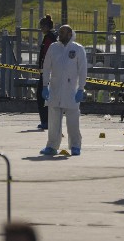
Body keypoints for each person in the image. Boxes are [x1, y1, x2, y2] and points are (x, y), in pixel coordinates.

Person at [39, 24, 87, 156]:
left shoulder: (77, 49)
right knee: (54, 121)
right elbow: (47, 67)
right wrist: (45, 86)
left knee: (73, 121)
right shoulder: (53, 48)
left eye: (63, 32)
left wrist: (81, 88)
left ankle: (75, 146)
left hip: (72, 90)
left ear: (70, 34)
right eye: (59, 32)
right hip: (54, 89)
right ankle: (52, 146)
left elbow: (83, 71)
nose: (59, 35)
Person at [36, 14, 58, 131]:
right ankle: (47, 120)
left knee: (41, 96)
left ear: (46, 26)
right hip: (49, 71)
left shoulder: (49, 38)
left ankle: (45, 121)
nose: (41, 29)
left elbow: (47, 55)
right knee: (45, 96)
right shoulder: (53, 36)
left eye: (42, 26)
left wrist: (43, 69)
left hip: (47, 72)